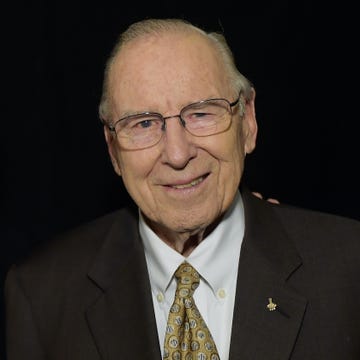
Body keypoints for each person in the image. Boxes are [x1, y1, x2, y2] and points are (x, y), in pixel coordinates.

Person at [4, 18, 360, 360]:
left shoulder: (348, 268)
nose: (177, 154)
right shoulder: (41, 296)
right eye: (143, 123)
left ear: (247, 121)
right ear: (113, 150)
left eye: (202, 113)